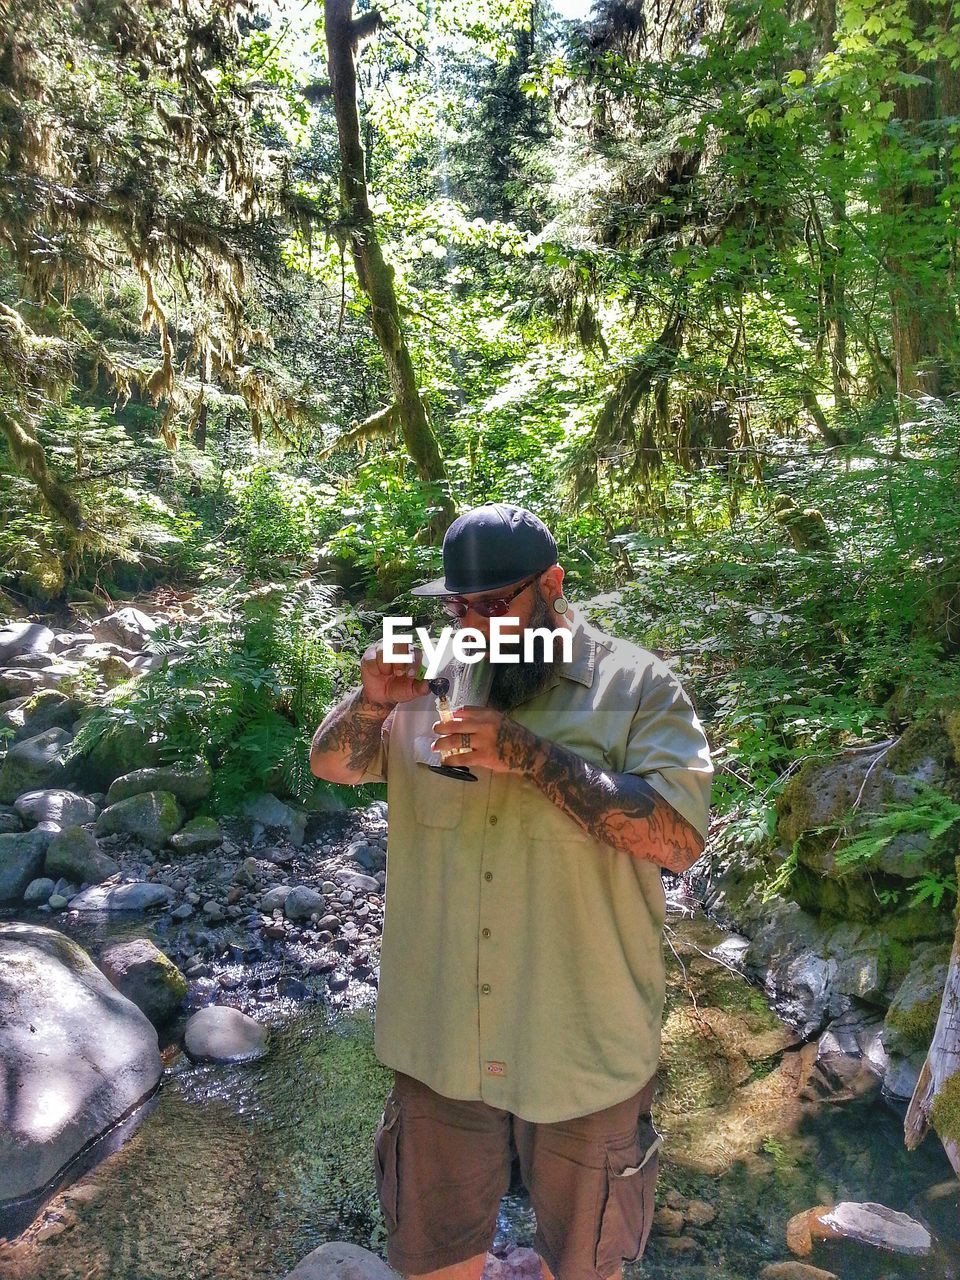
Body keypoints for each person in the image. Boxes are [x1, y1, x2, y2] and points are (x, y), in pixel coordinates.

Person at [309, 502, 713, 1280]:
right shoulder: (427, 675)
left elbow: (678, 838)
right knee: (431, 1260)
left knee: (585, 1266)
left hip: (582, 1051)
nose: (476, 624)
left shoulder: (637, 686)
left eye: (497, 604)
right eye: (459, 607)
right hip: (441, 1043)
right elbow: (332, 764)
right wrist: (371, 702)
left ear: (554, 586)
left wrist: (529, 756)